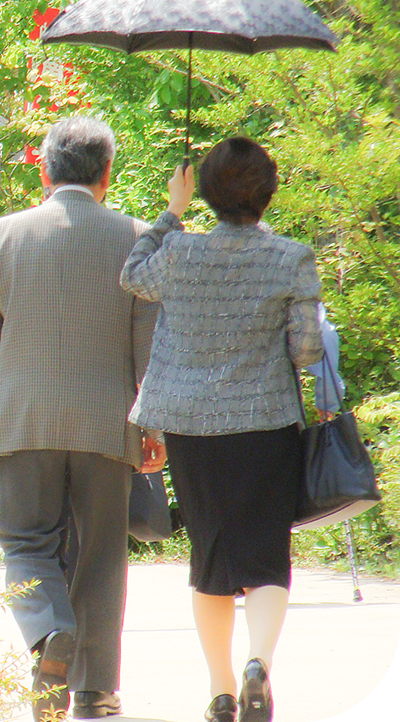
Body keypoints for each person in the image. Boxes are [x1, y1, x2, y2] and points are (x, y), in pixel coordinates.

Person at [0, 116, 161, 721]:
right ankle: (95, 689)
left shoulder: (1, 235)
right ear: (106, 175)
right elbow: (150, 344)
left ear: (44, 171)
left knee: (25, 542)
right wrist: (152, 426)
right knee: (101, 554)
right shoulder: (138, 237)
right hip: (108, 424)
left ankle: (49, 635)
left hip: (21, 422)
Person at [120, 137, 324, 722]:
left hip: (191, 428)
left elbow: (132, 276)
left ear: (206, 192)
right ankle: (258, 662)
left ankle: (220, 689)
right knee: (265, 555)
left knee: (209, 555)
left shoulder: (179, 254)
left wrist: (171, 211)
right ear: (268, 192)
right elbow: (307, 350)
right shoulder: (292, 257)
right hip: (265, 425)